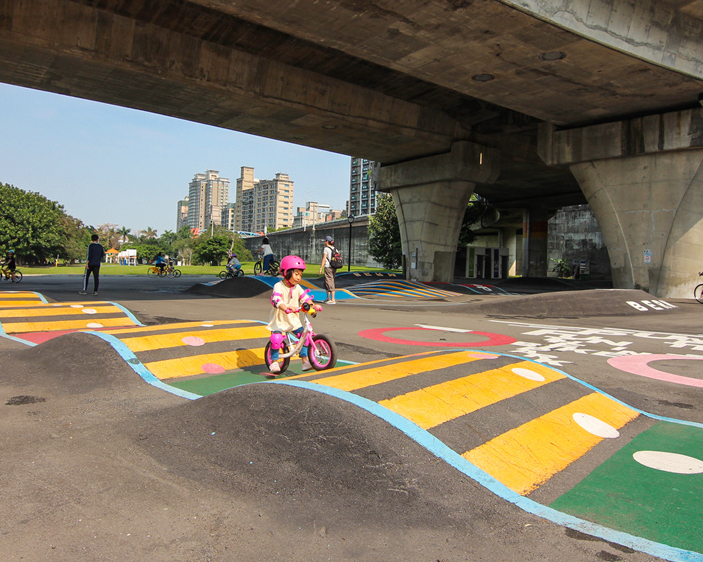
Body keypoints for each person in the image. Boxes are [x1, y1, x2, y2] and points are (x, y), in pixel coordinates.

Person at [266, 255, 321, 374]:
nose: (298, 277)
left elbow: (305, 298)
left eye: (300, 275)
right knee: (276, 339)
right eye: (296, 274)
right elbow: (276, 299)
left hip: (293, 319)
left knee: (306, 336)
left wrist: (312, 305)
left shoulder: (297, 287)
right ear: (287, 272)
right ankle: (274, 362)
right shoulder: (278, 286)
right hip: (280, 319)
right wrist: (285, 307)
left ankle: (305, 361)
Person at [318, 235, 336, 304]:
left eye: (325, 241)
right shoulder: (334, 249)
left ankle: (333, 299)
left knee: (330, 281)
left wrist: (320, 268)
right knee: (327, 282)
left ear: (327, 242)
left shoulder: (326, 249)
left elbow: (324, 259)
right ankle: (328, 298)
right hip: (334, 267)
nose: (324, 242)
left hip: (328, 267)